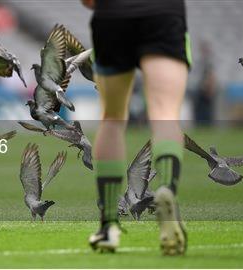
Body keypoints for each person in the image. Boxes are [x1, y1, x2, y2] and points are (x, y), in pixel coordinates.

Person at [82, 0, 192, 255]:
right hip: (163, 14)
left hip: (112, 17)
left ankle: (108, 224)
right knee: (164, 112)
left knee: (111, 118)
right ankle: (167, 191)